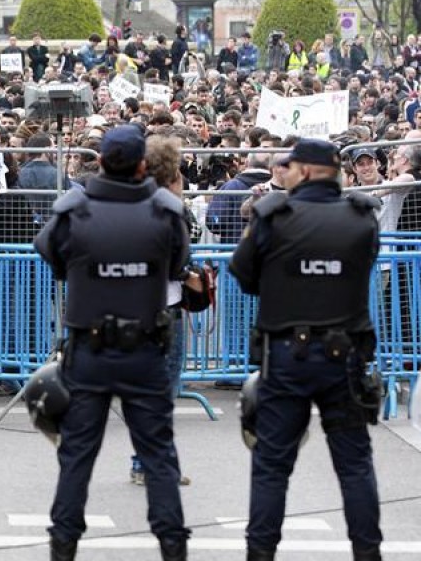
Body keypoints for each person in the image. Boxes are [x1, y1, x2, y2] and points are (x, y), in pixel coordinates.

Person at [34, 125, 191, 561]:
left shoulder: (74, 211)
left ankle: (62, 549)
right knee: (159, 457)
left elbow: (49, 252)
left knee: (77, 457)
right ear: (143, 166)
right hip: (144, 349)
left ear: (100, 161)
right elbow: (179, 262)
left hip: (90, 350)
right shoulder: (165, 211)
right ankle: (173, 549)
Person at [229, 139, 383, 561]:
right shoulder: (362, 218)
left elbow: (242, 273)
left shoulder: (272, 216)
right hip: (345, 354)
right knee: (354, 465)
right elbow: (364, 264)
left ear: (310, 170)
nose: (285, 171)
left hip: (286, 355)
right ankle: (368, 553)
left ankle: (260, 554)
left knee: (272, 466)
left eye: (291, 165)